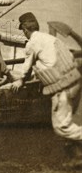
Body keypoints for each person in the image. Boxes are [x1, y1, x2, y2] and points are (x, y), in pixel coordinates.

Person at [9, 13, 81, 163]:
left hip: (62, 87)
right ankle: (76, 156)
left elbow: (26, 68)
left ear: (25, 30)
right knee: (67, 120)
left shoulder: (32, 43)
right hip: (75, 80)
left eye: (23, 31)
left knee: (61, 127)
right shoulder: (51, 39)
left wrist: (20, 81)